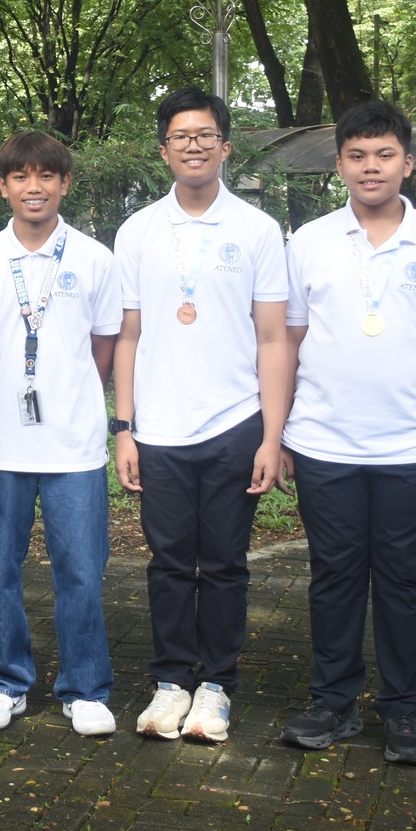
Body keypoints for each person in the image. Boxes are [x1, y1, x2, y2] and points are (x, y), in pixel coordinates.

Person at [279, 101, 416, 765]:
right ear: (339, 164)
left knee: (406, 581)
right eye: (357, 155)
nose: (370, 167)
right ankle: (333, 701)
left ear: (408, 162)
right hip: (324, 441)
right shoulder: (309, 240)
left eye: (384, 155)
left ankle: (403, 708)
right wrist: (278, 432)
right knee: (333, 577)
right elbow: (287, 341)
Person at [112, 89, 292, 744]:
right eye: (181, 136)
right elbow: (128, 336)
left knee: (224, 562)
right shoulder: (137, 230)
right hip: (158, 427)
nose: (193, 145)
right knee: (166, 562)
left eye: (205, 135)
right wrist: (124, 427)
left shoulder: (256, 229)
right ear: (163, 149)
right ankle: (169, 682)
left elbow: (273, 338)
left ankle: (215, 686)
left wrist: (272, 435)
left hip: (234, 421)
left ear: (225, 146)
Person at [0, 130, 123, 738]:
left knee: (80, 569)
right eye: (21, 176)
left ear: (65, 183)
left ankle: (85, 688)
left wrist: (68, 394)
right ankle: (4, 682)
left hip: (75, 444)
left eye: (46, 175)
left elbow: (103, 350)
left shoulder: (96, 259)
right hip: (1, 442)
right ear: (2, 185)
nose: (35, 187)